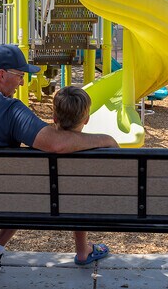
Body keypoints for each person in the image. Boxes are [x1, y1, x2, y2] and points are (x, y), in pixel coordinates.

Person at [0, 44, 118, 273]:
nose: (22, 82)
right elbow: (56, 143)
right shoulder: (10, 109)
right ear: (1, 74)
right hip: (0, 203)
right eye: (20, 76)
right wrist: (105, 139)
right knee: (29, 186)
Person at [52, 86, 110, 265]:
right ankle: (83, 250)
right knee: (80, 197)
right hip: (92, 206)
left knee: (77, 196)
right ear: (86, 119)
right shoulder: (100, 147)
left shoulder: (41, 146)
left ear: (54, 118)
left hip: (47, 206)